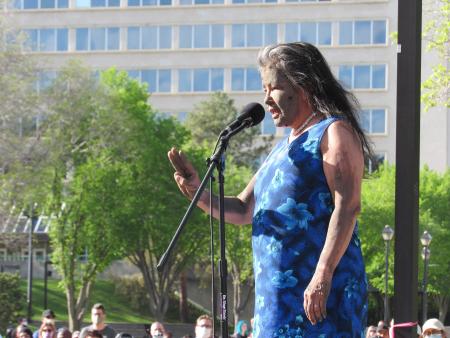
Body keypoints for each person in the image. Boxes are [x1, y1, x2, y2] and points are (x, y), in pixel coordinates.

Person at [168, 42, 370, 337]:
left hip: (322, 298)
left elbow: (348, 206)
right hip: (274, 304)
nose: (266, 100)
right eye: (264, 90)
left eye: (272, 88)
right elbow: (244, 208)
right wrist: (199, 193)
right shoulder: (281, 149)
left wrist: (323, 274)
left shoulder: (332, 132)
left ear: (304, 85)